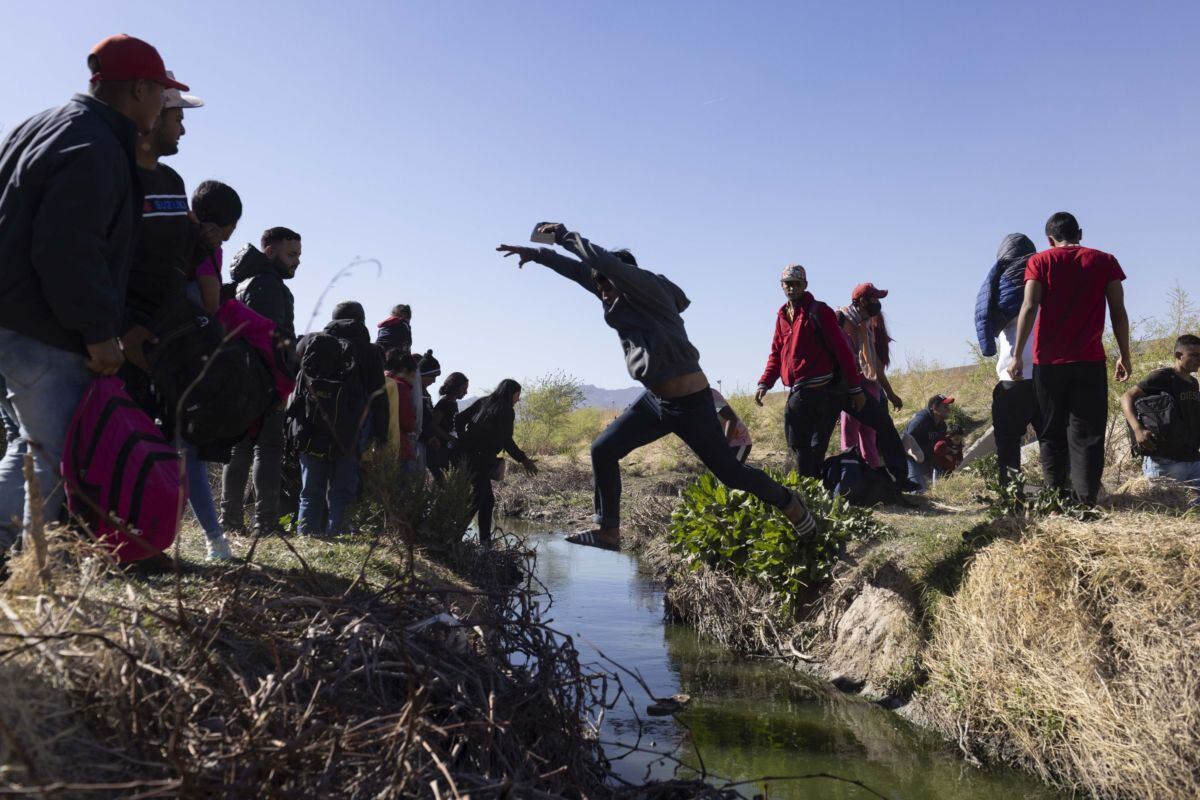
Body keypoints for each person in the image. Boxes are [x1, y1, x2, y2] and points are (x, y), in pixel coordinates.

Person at [498, 224, 819, 551]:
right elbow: (579, 270)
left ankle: (790, 503)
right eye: (598, 285)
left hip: (691, 403)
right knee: (602, 450)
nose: (601, 291)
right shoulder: (608, 290)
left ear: (623, 277)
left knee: (731, 474)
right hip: (655, 402)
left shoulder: (645, 288)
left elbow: (604, 264)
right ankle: (608, 531)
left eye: (606, 283)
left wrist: (564, 235)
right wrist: (537, 255)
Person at [0, 35, 187, 550]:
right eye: (161, 93)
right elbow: (67, 248)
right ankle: (8, 567)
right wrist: (100, 332)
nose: (162, 104)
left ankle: (26, 570)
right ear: (140, 89)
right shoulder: (97, 144)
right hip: (43, 326)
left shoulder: (43, 124)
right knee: (47, 453)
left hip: (16, 317)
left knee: (33, 446)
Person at [755, 265, 917, 491]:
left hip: (837, 388)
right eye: (787, 284)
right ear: (781, 286)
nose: (792, 288)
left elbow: (842, 351)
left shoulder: (819, 311)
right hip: (808, 392)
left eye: (796, 284)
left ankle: (900, 479)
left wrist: (855, 389)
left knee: (882, 423)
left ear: (805, 285)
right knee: (808, 445)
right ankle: (810, 491)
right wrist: (765, 382)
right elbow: (776, 351)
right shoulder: (783, 316)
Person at [1010, 212, 1132, 506]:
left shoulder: (1039, 261)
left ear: (1049, 239)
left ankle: (1056, 499)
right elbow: (1118, 311)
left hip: (1048, 363)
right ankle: (1085, 500)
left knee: (1051, 432)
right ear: (1080, 232)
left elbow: (1028, 307)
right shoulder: (1105, 261)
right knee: (1088, 432)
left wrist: (1016, 356)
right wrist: (1124, 356)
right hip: (1089, 361)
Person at [220, 227, 301, 535]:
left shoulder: (243, 282)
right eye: (291, 254)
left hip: (239, 377)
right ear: (270, 252)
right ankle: (265, 523)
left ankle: (230, 522)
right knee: (267, 449)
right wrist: (281, 384)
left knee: (238, 449)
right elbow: (273, 338)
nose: (296, 262)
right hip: (263, 380)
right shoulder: (268, 284)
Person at [291, 302, 388, 537]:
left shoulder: (308, 342)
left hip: (311, 427)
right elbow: (379, 398)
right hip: (351, 431)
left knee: (310, 491)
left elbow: (295, 386)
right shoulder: (370, 351)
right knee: (343, 492)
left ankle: (307, 540)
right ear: (362, 321)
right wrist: (379, 437)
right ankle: (339, 537)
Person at [976, 234, 1043, 486]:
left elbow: (991, 323)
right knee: (1051, 440)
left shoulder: (1003, 283)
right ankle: (1058, 497)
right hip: (1045, 374)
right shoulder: (1047, 279)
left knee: (1008, 445)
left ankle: (1012, 498)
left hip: (1012, 376)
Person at [1121, 335, 1200, 505]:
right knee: (1167, 509)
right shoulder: (1162, 377)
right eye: (1194, 355)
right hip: (1165, 461)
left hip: (1191, 459)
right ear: (1179, 355)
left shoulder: (1193, 383)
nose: (1198, 359)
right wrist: (1137, 430)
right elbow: (1126, 397)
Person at [456, 380, 537, 544]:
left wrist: (464, 441)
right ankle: (478, 540)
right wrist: (524, 459)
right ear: (510, 393)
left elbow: (459, 419)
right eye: (517, 395)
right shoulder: (506, 410)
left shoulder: (484, 401)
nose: (518, 399)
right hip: (481, 459)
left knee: (481, 498)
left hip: (468, 456)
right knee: (484, 499)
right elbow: (506, 440)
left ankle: (462, 536)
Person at [837, 283, 903, 469]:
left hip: (870, 386)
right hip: (852, 387)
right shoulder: (842, 320)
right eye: (873, 299)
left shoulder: (866, 325)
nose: (877, 303)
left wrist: (890, 394)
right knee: (850, 439)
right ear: (862, 301)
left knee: (869, 438)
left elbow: (875, 364)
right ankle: (851, 478)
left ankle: (873, 479)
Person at [189, 180, 243, 314]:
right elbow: (211, 306)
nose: (235, 227)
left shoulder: (185, 234)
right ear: (228, 223)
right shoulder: (210, 247)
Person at [903, 395, 954, 493]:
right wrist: (916, 456)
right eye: (945, 407)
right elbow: (905, 441)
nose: (949, 410)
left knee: (943, 489)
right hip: (911, 460)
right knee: (918, 492)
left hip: (928, 459)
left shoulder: (942, 425)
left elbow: (938, 447)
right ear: (935, 408)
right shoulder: (920, 421)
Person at [429, 372, 469, 480]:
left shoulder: (453, 403)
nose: (466, 392)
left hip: (447, 449)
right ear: (456, 387)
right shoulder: (444, 403)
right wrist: (450, 438)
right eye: (464, 388)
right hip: (440, 450)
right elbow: (434, 425)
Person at [383, 351, 420, 468]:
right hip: (399, 445)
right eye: (413, 374)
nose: (414, 379)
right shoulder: (400, 387)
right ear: (405, 370)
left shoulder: (379, 381)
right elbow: (406, 422)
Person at [414, 350, 441, 475]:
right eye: (432, 377)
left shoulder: (424, 392)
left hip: (424, 441)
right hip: (415, 441)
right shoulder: (413, 391)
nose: (434, 381)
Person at [711, 388, 753, 463]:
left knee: (733, 471)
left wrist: (725, 446)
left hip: (738, 441)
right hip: (725, 443)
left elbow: (731, 418)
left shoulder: (710, 394)